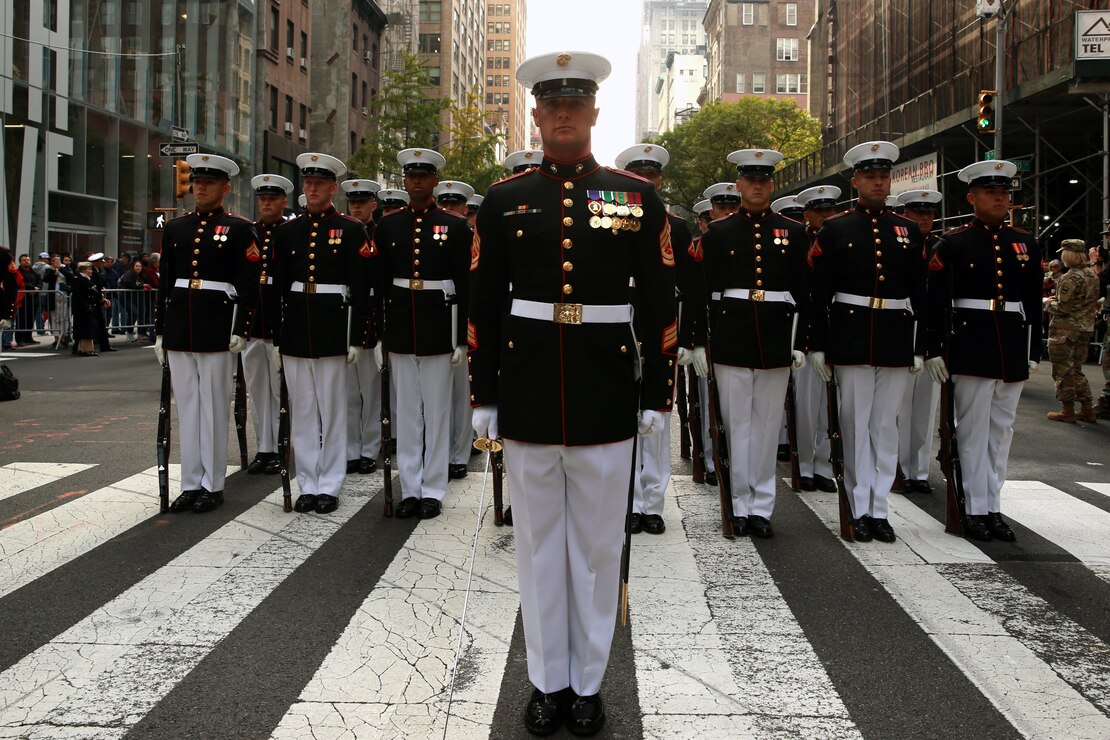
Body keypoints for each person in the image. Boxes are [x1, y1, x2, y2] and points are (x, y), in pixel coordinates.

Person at [469, 51, 676, 736]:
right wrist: (485, 391)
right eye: (551, 104)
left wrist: (655, 395)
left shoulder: (635, 196)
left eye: (574, 103)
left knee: (595, 548)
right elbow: (485, 299)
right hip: (527, 387)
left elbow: (658, 298)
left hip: (605, 387)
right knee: (537, 548)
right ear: (536, 114)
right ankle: (546, 680)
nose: (562, 113)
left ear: (593, 113)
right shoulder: (504, 199)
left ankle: (587, 684)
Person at [809, 141, 926, 544]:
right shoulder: (837, 227)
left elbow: (919, 292)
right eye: (871, 176)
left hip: (894, 335)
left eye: (884, 176)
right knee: (856, 425)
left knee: (886, 426)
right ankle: (858, 507)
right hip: (852, 334)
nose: (879, 182)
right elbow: (820, 293)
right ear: (856, 180)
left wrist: (920, 345)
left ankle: (879, 508)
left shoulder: (908, 229)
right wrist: (819, 345)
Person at [693, 149, 808, 538]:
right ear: (739, 185)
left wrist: (802, 342)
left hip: (776, 337)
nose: (757, 187)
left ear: (772, 185)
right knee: (736, 424)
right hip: (733, 337)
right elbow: (704, 293)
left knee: (766, 425)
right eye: (750, 181)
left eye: (764, 181)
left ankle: (761, 507)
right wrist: (699, 341)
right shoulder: (719, 233)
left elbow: (805, 293)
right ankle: (737, 503)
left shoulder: (793, 232)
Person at [925, 159, 1041, 542]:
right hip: (971, 342)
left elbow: (1032, 302)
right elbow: (937, 302)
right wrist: (933, 348)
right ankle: (973, 507)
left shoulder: (1024, 242)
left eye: (1005, 192)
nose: (1000, 198)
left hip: (1010, 343)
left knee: (1001, 431)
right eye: (992, 192)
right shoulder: (954, 243)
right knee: (972, 431)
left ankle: (992, 504)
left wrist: (1034, 346)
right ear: (972, 196)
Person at [154, 153, 260, 514]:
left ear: (224, 188)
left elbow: (248, 285)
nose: (200, 187)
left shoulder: (240, 228)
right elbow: (165, 283)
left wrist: (242, 329)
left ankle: (213, 484)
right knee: (187, 408)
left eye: (209, 182)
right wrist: (159, 331)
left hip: (218, 323)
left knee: (214, 406)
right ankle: (190, 483)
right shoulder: (176, 228)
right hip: (181, 324)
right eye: (196, 181)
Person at [272, 153, 374, 515]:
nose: (312, 189)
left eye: (319, 184)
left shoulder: (350, 229)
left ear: (332, 188)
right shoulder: (287, 232)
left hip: (334, 326)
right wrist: (274, 335)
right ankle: (308, 483)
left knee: (332, 411)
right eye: (308, 183)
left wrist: (359, 336)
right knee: (302, 411)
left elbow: (362, 288)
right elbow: (277, 287)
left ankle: (330, 484)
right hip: (298, 327)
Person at [374, 148, 470, 520]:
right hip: (400, 327)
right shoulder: (388, 226)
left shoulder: (457, 227)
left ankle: (433, 488)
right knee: (407, 415)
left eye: (423, 175)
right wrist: (380, 333)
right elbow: (380, 285)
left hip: (438, 330)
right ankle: (410, 488)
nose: (416, 181)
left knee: (437, 411)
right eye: (411, 175)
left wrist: (461, 337)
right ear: (404, 180)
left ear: (434, 181)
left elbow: (465, 285)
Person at [615, 142, 693, 535]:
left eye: (653, 175)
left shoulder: (677, 228)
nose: (647, 180)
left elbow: (687, 287)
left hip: (660, 331)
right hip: (620, 329)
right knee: (623, 420)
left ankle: (653, 502)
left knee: (658, 420)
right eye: (639, 175)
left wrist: (688, 339)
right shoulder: (611, 222)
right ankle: (627, 500)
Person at [792, 184, 843, 493]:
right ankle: (805, 465)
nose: (826, 216)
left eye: (830, 210)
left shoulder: (839, 241)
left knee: (829, 408)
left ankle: (824, 465)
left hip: (835, 334)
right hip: (809, 336)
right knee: (807, 406)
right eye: (820, 211)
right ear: (807, 215)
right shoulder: (798, 243)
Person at [243, 173, 294, 475]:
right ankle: (263, 447)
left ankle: (280, 446)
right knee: (256, 391)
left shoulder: (289, 232)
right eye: (262, 198)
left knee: (280, 392)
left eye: (272, 198)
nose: (266, 203)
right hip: (253, 325)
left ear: (283, 201)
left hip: (278, 324)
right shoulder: (249, 232)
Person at [894, 189, 944, 491]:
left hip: (931, 339)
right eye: (917, 213)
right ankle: (897, 466)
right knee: (898, 409)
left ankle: (919, 470)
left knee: (925, 409)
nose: (924, 219)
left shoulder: (943, 247)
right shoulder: (897, 246)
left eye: (928, 214)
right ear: (905, 215)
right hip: (903, 335)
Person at [434, 179, 478, 480]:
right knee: (439, 395)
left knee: (463, 393)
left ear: (465, 207)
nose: (449, 209)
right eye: (444, 204)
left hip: (467, 322)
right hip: (438, 322)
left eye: (455, 204)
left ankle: (459, 453)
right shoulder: (433, 235)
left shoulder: (473, 237)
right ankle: (442, 450)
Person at [340, 177, 384, 475]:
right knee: (347, 392)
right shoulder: (341, 234)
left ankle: (369, 448)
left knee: (371, 391)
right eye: (352, 202)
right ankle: (350, 449)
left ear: (373, 204)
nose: (356, 207)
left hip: (370, 316)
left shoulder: (381, 234)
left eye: (362, 202)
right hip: (344, 316)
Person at [1044, 238, 1101, 422]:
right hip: (1085, 329)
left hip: (1065, 330)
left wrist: (1047, 303)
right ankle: (1087, 409)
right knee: (1076, 370)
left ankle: (1067, 410)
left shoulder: (1070, 277)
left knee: (1063, 371)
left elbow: (1063, 308)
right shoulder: (1092, 275)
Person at [688, 198, 718, 487]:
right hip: (707, 333)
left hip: (733, 333)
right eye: (713, 216)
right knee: (708, 405)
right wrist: (694, 341)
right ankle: (710, 461)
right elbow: (693, 296)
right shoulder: (697, 247)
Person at [70, 261, 105, 356]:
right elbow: (79, 295)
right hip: (83, 308)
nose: (91, 271)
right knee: (86, 329)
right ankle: (86, 349)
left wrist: (102, 300)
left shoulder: (87, 279)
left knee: (88, 328)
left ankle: (81, 348)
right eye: (89, 269)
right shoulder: (78, 279)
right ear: (83, 270)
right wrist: (86, 306)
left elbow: (93, 291)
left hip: (88, 306)